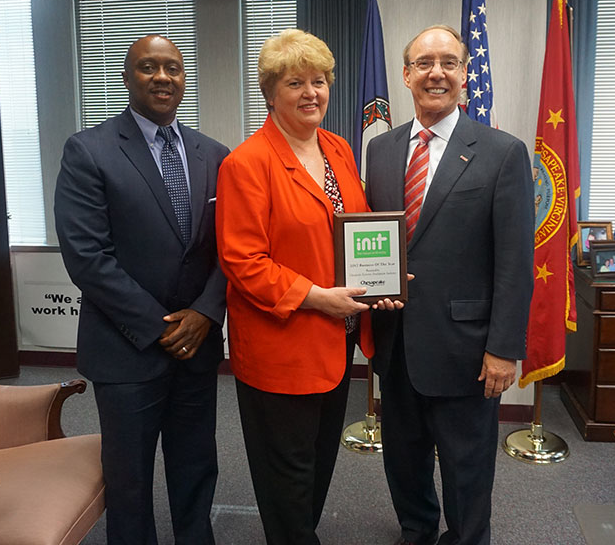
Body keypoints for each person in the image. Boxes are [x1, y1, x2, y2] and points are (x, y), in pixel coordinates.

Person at [55, 34, 229, 545]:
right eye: (148, 67)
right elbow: (87, 258)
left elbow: (231, 250)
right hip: (126, 349)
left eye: (172, 69)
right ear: (127, 77)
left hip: (196, 348)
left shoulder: (214, 155)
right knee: (129, 481)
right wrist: (161, 328)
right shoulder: (89, 150)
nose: (162, 77)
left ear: (183, 78)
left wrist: (205, 314)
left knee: (197, 467)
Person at [365, 25, 535, 545]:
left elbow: (514, 261)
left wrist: (504, 350)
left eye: (448, 62)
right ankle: (416, 531)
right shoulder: (382, 151)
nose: (435, 72)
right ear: (406, 74)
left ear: (465, 73)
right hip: (395, 342)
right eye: (423, 62)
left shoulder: (502, 152)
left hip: (466, 349)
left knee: (466, 468)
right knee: (404, 459)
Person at [216, 29, 381, 544]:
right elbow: (243, 261)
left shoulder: (338, 149)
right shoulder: (246, 163)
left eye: (319, 80)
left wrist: (386, 276)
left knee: (319, 467)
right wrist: (316, 297)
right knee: (286, 478)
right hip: (281, 346)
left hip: (338, 338)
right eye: (295, 82)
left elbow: (361, 228)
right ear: (271, 92)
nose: (312, 92)